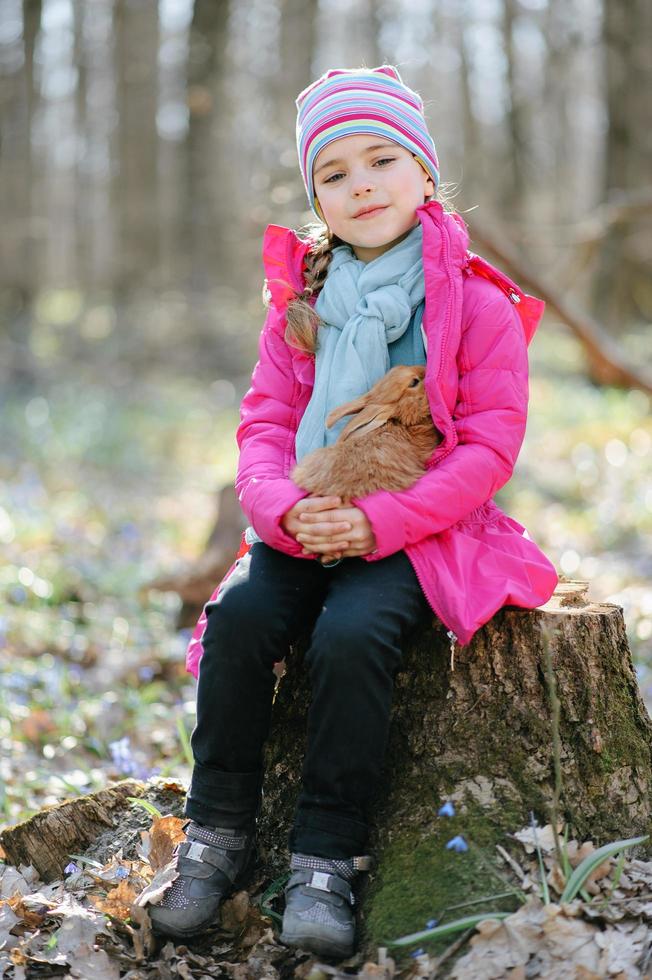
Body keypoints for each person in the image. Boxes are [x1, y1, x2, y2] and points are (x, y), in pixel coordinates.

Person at [149, 65, 558, 957]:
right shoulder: (301, 306)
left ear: (424, 175)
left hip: (421, 529)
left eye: (381, 160)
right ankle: (216, 832)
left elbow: (489, 447)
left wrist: (383, 524)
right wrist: (282, 509)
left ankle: (326, 857)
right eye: (334, 173)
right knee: (243, 615)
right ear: (317, 198)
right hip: (306, 515)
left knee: (351, 635)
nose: (361, 184)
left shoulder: (476, 303)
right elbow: (263, 423)